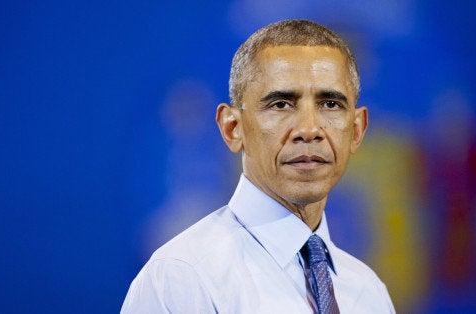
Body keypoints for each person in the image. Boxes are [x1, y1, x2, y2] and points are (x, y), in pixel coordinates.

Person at [122, 19, 395, 313]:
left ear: (356, 130)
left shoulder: (370, 293)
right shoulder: (183, 279)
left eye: (330, 104)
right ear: (232, 128)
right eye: (281, 104)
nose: (309, 129)